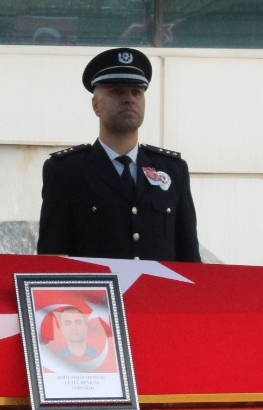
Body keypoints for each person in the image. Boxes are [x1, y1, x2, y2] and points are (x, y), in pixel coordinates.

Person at [37, 47, 200, 262]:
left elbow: (189, 257)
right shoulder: (66, 170)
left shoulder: (172, 169)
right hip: (97, 295)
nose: (129, 99)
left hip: (158, 294)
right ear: (96, 105)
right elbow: (52, 257)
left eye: (136, 92)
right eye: (117, 91)